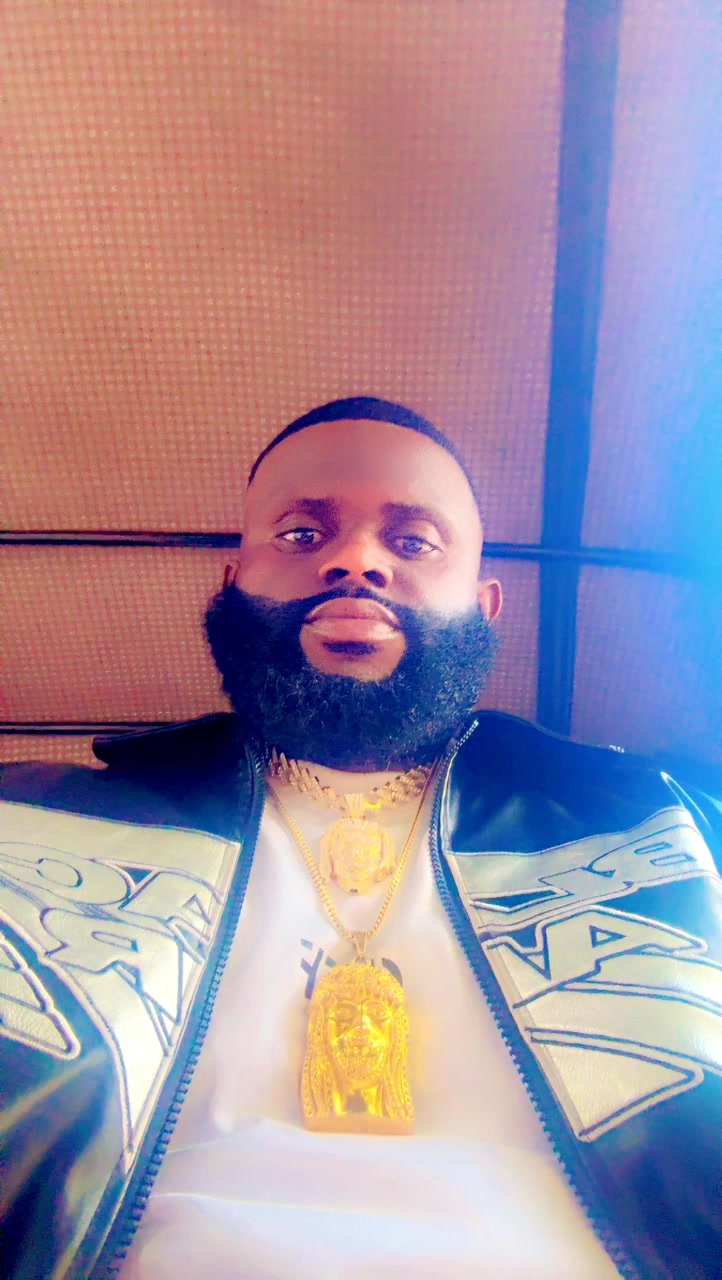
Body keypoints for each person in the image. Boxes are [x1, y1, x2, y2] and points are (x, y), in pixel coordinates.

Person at [1, 396, 721, 1280]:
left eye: (413, 542)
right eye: (302, 535)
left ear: (485, 606)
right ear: (233, 582)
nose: (355, 562)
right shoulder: (27, 825)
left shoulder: (682, 830)